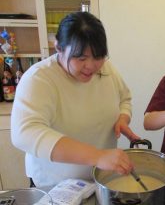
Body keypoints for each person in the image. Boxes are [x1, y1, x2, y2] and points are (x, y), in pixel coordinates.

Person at [11, 12, 139, 187]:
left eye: (98, 56)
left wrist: (122, 118)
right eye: (81, 58)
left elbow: (125, 98)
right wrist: (98, 156)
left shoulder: (105, 69)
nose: (91, 66)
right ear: (59, 48)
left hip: (99, 179)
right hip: (56, 185)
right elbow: (24, 133)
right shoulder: (39, 78)